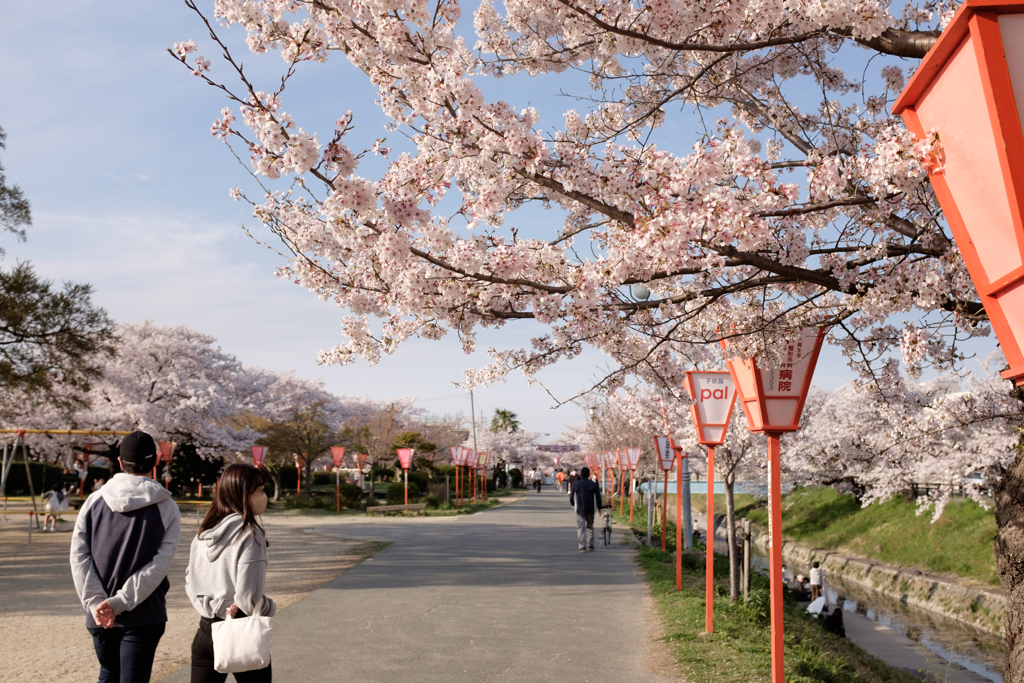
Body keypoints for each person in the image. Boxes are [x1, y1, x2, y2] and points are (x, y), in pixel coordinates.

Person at [70, 430, 182, 683]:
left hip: (98, 613)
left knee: (108, 674)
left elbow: (79, 555)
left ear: (120, 462)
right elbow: (160, 564)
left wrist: (96, 601)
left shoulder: (93, 501)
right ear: (154, 462)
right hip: (144, 612)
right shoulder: (166, 506)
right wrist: (120, 602)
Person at [186, 463, 276, 683]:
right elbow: (248, 599)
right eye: (261, 490)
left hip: (205, 630)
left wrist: (213, 607)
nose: (264, 495)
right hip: (241, 629)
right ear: (244, 494)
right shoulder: (250, 533)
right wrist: (269, 606)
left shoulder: (205, 531)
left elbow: (190, 580)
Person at [569, 466, 603, 552]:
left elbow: (571, 497)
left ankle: (582, 546)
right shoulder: (593, 484)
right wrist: (599, 507)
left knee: (581, 527)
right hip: (591, 508)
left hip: (579, 509)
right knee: (590, 527)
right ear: (589, 475)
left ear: (581, 474)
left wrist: (573, 505)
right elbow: (598, 497)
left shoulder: (576, 484)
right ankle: (590, 545)